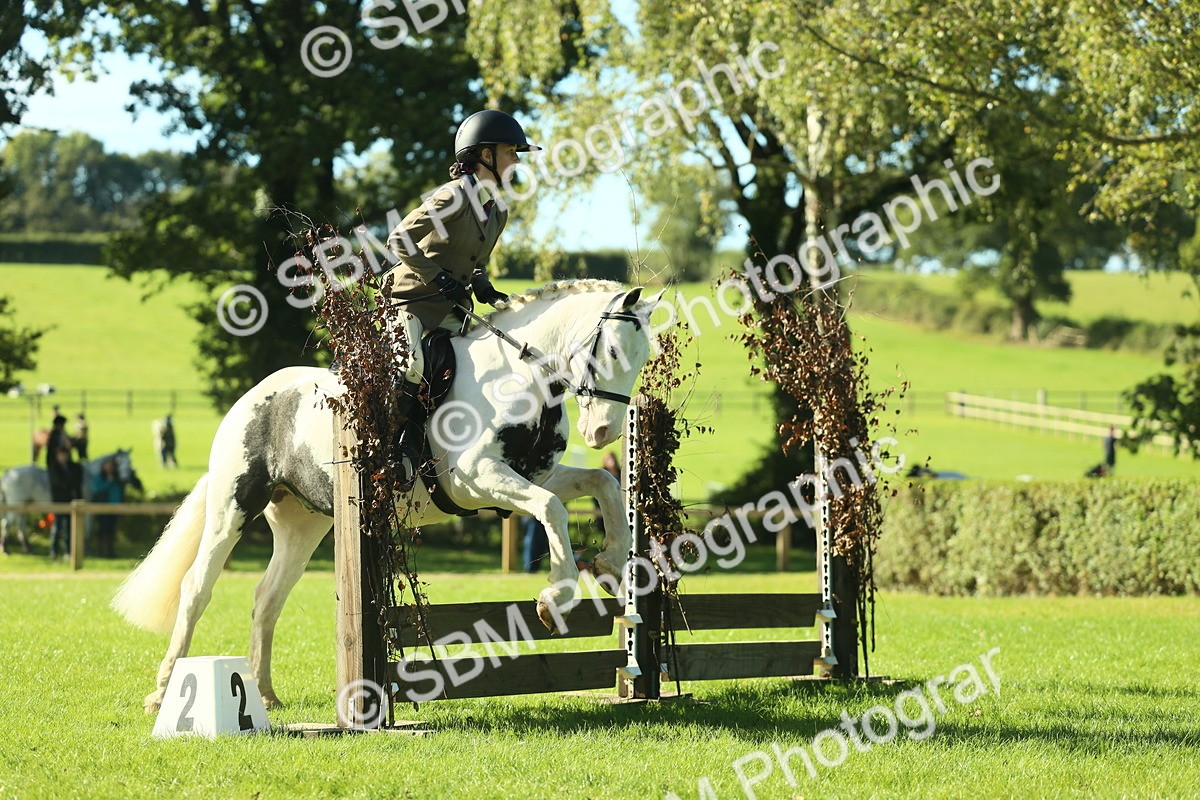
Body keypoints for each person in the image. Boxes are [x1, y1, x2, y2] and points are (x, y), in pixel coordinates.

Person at [383, 110, 541, 419]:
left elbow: (476, 263)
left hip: (452, 310)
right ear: (486, 155)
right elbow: (398, 239)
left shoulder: (498, 212)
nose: (517, 160)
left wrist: (485, 289)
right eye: (511, 152)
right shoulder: (452, 196)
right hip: (411, 302)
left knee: (477, 367)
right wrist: (439, 278)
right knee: (412, 367)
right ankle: (391, 437)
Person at [47, 440, 81, 560]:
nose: (63, 457)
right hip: (59, 502)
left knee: (69, 528)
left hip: (70, 502)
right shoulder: (54, 468)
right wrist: (69, 485)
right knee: (57, 527)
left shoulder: (73, 467)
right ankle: (54, 551)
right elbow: (59, 483)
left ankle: (68, 552)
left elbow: (76, 483)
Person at [91, 457, 124, 558]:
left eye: (111, 466)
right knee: (103, 529)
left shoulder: (117, 478)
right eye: (108, 466)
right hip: (103, 507)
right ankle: (101, 551)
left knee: (111, 530)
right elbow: (96, 489)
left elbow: (119, 492)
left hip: (114, 508)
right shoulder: (100, 478)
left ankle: (110, 551)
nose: (110, 468)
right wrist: (108, 482)